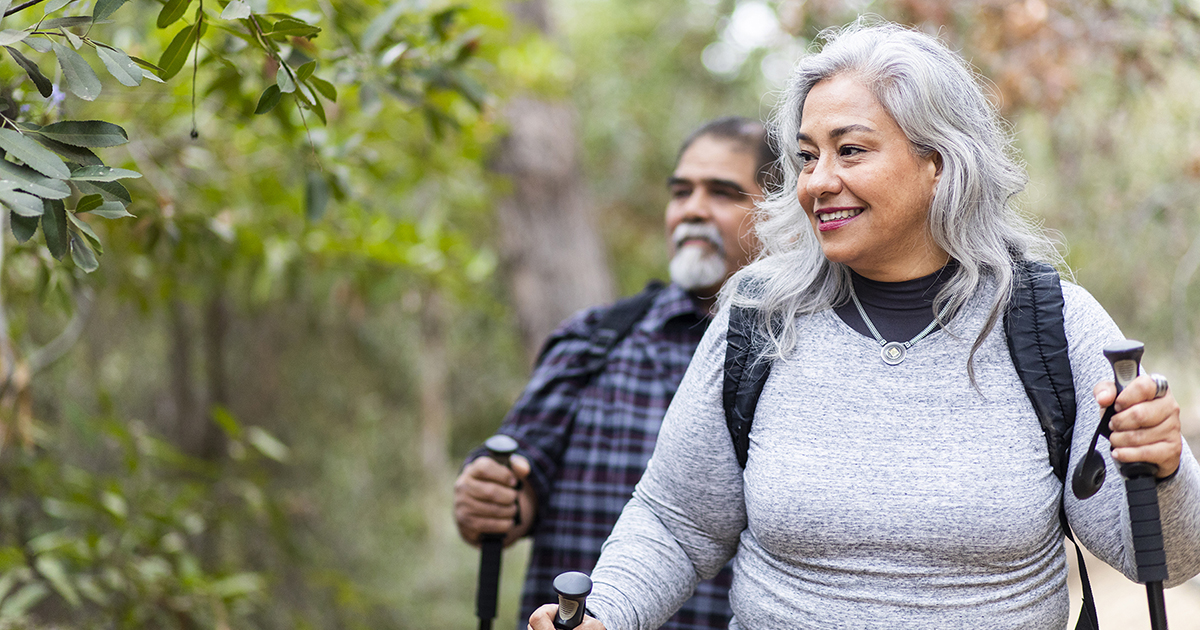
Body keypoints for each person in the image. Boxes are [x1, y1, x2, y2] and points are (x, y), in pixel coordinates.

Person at [528, 20, 1200, 630]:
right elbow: (677, 522)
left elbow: (1164, 558)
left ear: (938, 163)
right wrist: (604, 615)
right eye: (808, 155)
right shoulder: (760, 314)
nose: (818, 180)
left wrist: (1165, 468)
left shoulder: (1049, 322)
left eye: (850, 151)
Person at [454, 116, 781, 630]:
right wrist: (491, 497)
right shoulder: (596, 340)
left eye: (722, 193)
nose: (692, 210)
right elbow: (518, 483)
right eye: (680, 192)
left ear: (781, 211)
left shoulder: (802, 358)